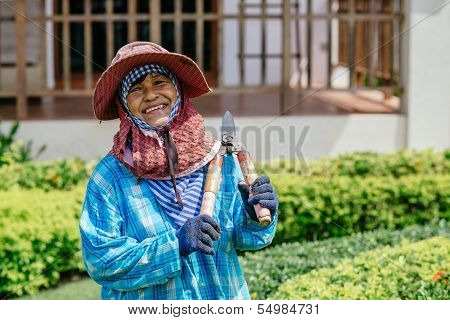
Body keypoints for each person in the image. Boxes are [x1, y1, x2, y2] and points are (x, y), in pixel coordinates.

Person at [79, 42, 278, 300]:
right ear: (124, 105)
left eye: (160, 82)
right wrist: (175, 246)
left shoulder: (218, 157)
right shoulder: (109, 177)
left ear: (178, 90)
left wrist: (256, 214)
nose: (150, 95)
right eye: (136, 89)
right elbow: (101, 261)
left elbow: (247, 238)